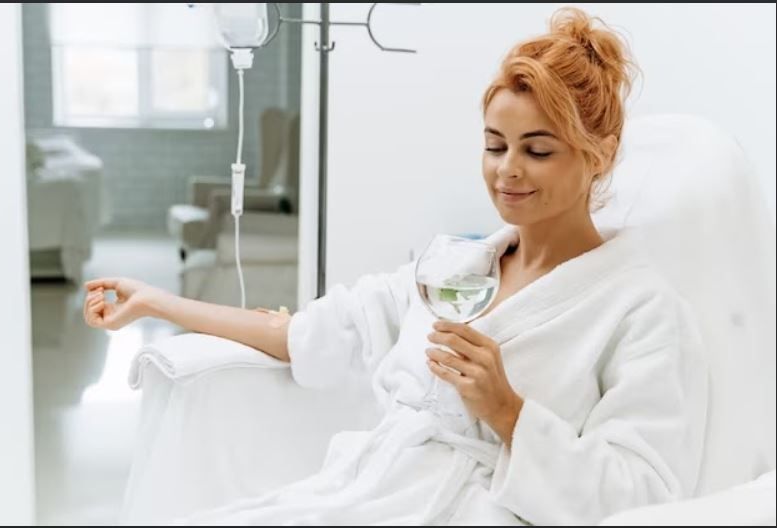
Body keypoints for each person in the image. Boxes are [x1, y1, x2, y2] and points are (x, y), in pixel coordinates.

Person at [84, 7, 707, 525]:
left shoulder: (641, 310)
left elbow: (645, 497)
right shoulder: (454, 271)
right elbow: (305, 335)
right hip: (364, 493)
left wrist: (508, 411)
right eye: (494, 146)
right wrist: (156, 301)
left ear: (600, 156)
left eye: (537, 150)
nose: (507, 170)